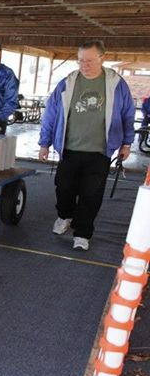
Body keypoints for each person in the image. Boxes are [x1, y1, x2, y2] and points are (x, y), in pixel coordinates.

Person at [39, 39, 135, 251]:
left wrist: (127, 143)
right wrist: (44, 143)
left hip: (100, 152)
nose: (84, 65)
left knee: (91, 194)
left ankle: (82, 233)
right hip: (69, 149)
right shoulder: (68, 82)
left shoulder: (116, 84)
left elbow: (128, 114)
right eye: (80, 61)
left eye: (89, 61)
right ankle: (65, 216)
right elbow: (51, 114)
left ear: (103, 58)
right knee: (63, 188)